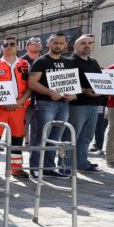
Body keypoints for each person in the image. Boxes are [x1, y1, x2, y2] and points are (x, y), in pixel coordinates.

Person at [27, 32, 77, 178]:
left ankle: (49, 167)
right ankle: (35, 168)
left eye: (61, 43)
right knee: (40, 137)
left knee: (56, 138)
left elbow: (73, 84)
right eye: (55, 42)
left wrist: (73, 95)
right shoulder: (41, 61)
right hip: (45, 103)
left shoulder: (68, 62)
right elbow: (32, 83)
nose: (58, 45)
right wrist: (49, 92)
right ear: (49, 44)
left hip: (64, 104)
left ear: (66, 45)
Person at [0, 36, 31, 177]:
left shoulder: (25, 64)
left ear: (18, 47)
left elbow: (31, 85)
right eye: (6, 45)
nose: (9, 47)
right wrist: (3, 102)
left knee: (17, 138)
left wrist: (21, 100)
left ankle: (16, 168)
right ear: (2, 48)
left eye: (12, 44)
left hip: (20, 107)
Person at [65, 34, 102, 173]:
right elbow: (66, 83)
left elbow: (99, 79)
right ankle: (65, 164)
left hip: (93, 104)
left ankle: (81, 162)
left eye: (90, 43)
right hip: (77, 104)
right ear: (74, 46)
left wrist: (110, 83)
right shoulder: (68, 61)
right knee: (70, 136)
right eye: (83, 43)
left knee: (86, 137)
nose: (87, 45)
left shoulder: (93, 61)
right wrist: (83, 90)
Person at [21, 37, 42, 146]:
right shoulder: (21, 62)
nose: (37, 44)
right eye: (34, 42)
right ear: (27, 46)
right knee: (23, 123)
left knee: (38, 125)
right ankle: (24, 142)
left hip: (41, 98)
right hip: (24, 98)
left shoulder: (44, 60)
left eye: (39, 42)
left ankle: (34, 143)